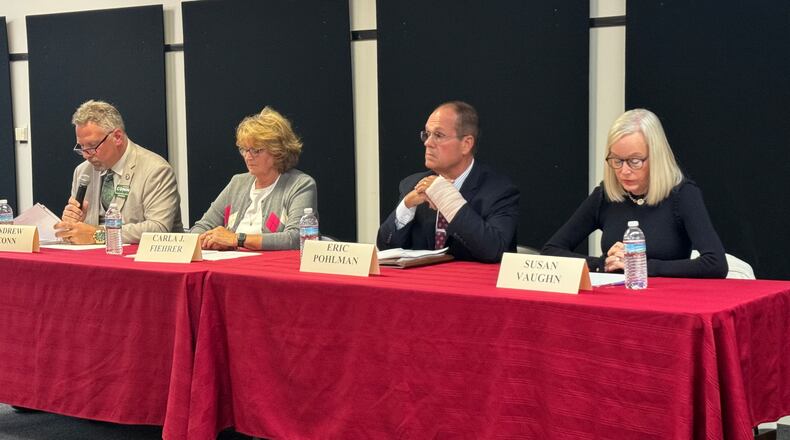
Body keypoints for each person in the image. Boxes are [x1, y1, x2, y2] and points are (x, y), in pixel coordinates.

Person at [542, 108, 728, 278]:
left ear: (656, 157)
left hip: (664, 297)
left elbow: (715, 263)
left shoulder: (683, 195)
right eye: (617, 161)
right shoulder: (605, 196)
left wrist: (642, 266)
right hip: (614, 295)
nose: (624, 171)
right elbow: (551, 251)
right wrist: (602, 264)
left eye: (635, 161)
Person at [376, 101, 519, 263]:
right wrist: (406, 206)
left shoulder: (499, 191)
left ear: (466, 144)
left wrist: (446, 198)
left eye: (438, 135)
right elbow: (386, 248)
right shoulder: (413, 184)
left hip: (470, 279)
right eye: (427, 134)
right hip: (423, 279)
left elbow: (495, 250)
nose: (428, 143)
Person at [56, 100, 182, 244]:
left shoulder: (155, 170)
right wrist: (74, 223)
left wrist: (98, 235)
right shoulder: (83, 171)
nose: (86, 155)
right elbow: (84, 232)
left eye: (92, 145)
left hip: (144, 256)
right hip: (95, 254)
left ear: (117, 137)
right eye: (81, 147)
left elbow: (158, 228)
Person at [191, 107, 317, 251]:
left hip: (272, 264)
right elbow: (201, 227)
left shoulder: (300, 185)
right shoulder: (237, 183)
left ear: (278, 151)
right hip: (229, 262)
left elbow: (296, 238)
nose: (248, 157)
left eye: (256, 150)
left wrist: (237, 239)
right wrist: (207, 240)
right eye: (244, 149)